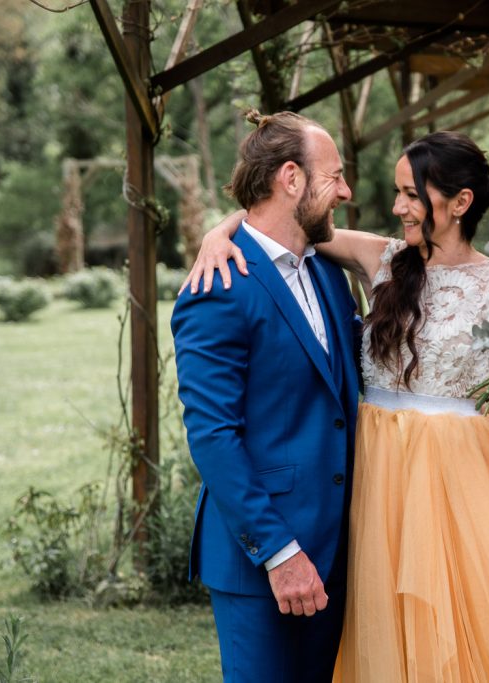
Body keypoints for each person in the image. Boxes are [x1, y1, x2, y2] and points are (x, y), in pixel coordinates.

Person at [188, 130, 489, 681]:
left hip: (463, 486)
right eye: (398, 192)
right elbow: (279, 225)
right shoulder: (380, 258)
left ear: (460, 202)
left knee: (476, 636)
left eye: (413, 194)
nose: (398, 207)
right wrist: (217, 232)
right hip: (378, 486)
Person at [171, 110, 361, 683]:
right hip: (264, 562)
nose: (347, 192)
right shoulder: (218, 287)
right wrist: (280, 554)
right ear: (291, 178)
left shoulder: (328, 271)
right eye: (335, 177)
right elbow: (212, 436)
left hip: (340, 547)